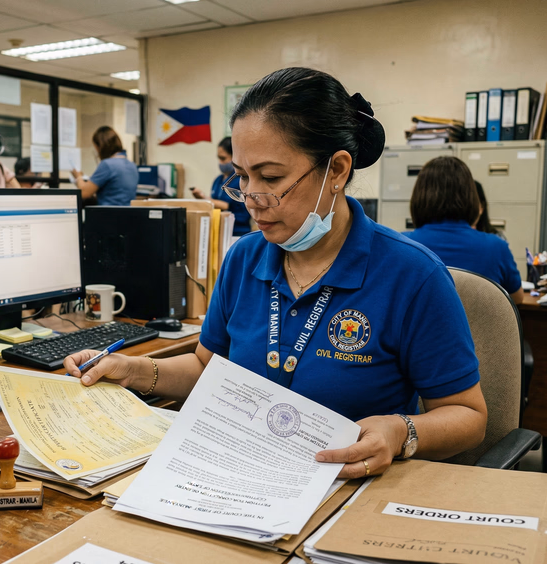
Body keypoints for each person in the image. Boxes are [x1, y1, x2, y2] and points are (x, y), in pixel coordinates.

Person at [65, 68, 487, 480]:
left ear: (337, 171)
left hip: (345, 487)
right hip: (243, 475)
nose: (250, 199)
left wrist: (401, 432)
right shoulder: (244, 258)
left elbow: (469, 416)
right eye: (243, 177)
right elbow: (207, 369)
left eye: (269, 178)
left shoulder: (412, 275)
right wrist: (132, 370)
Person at [404, 156, 522, 304]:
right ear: (471, 197)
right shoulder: (497, 247)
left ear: (419, 197)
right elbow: (517, 299)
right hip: (478, 327)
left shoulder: (401, 245)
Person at [190, 136, 252, 236]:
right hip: (219, 229)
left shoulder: (240, 179)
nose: (220, 162)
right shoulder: (218, 180)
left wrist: (204, 198)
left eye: (223, 158)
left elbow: (226, 205)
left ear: (234, 157)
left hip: (238, 231)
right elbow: (214, 204)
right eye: (219, 158)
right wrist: (202, 198)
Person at [71, 126, 138, 205]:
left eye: (96, 149)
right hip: (127, 215)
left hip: (108, 215)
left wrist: (78, 176)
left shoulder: (107, 165)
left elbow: (84, 193)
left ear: (101, 147)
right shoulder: (132, 166)